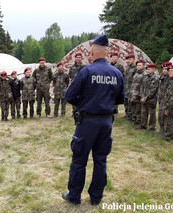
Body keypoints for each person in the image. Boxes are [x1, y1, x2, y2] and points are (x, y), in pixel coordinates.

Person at [62, 35, 124, 206]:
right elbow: (120, 98)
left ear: (92, 52)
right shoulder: (116, 72)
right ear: (107, 52)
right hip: (106, 122)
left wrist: (84, 103)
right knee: (100, 160)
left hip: (87, 122)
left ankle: (74, 197)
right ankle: (96, 197)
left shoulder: (86, 71)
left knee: (79, 160)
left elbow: (69, 95)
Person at [140, 63, 159, 131]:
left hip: (151, 99)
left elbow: (153, 90)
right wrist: (142, 96)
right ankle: (143, 125)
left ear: (154, 69)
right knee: (143, 113)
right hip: (143, 98)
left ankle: (152, 127)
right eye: (147, 69)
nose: (147, 70)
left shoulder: (156, 78)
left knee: (152, 114)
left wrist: (146, 98)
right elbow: (141, 87)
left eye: (149, 69)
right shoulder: (145, 77)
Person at [130, 60, 146, 129]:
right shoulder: (136, 74)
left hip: (139, 94)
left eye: (140, 65)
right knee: (134, 108)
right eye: (137, 65)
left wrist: (141, 95)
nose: (138, 66)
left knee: (139, 109)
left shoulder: (144, 74)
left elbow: (144, 86)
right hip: (133, 94)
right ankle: (135, 120)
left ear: (144, 66)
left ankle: (139, 122)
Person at [158, 62, 172, 137]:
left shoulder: (171, 79)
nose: (164, 71)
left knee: (167, 119)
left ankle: (167, 134)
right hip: (161, 100)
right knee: (160, 117)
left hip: (167, 101)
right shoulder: (162, 78)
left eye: (166, 69)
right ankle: (162, 131)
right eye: (163, 69)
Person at [124, 53, 137, 121]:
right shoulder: (127, 68)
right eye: (127, 59)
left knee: (131, 104)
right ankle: (127, 115)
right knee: (126, 103)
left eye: (129, 59)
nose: (128, 61)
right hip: (126, 89)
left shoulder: (135, 68)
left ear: (134, 59)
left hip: (132, 90)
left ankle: (132, 117)